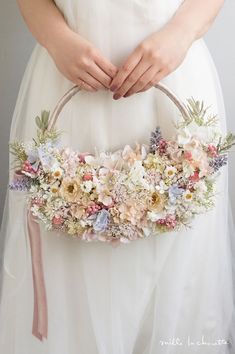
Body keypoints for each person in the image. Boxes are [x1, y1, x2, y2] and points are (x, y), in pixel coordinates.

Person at [0, 0, 234, 353]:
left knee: (175, 263)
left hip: (172, 75)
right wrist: (55, 38)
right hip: (67, 75)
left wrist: (180, 33)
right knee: (66, 261)